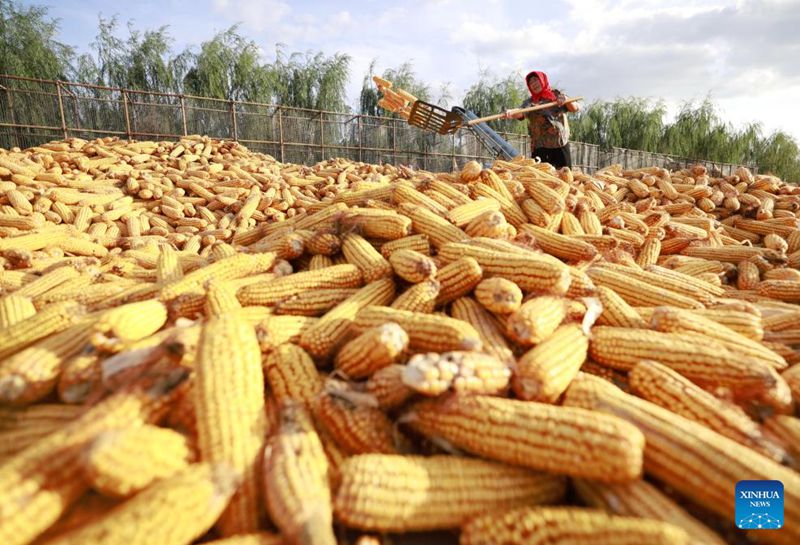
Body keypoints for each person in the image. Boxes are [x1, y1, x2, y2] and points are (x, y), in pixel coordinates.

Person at [503, 70, 580, 169]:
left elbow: (575, 108)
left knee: (564, 177)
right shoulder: (530, 102)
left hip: (560, 144)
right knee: (540, 179)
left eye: (535, 80)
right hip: (539, 148)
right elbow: (521, 112)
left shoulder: (556, 95)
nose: (533, 84)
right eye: (530, 83)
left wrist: (565, 99)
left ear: (542, 80)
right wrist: (511, 112)